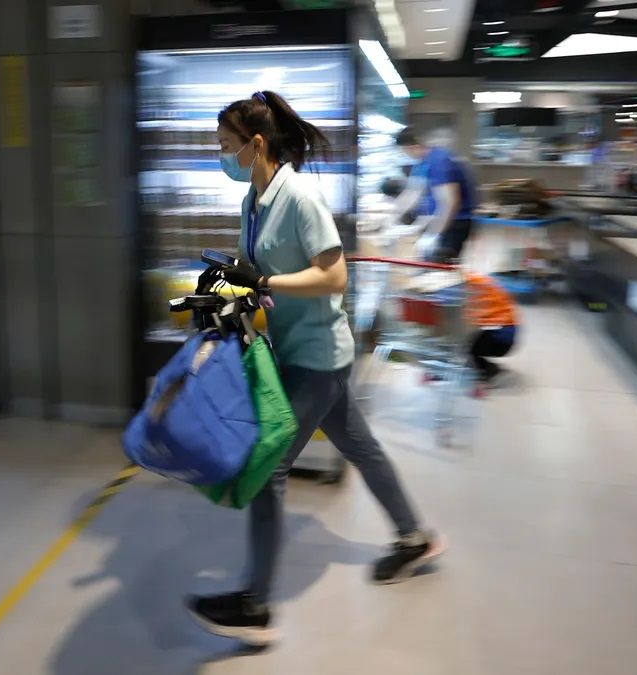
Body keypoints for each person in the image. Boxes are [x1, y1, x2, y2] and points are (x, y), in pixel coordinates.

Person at [186, 91, 444, 648]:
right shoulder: (252, 202)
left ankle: (256, 605)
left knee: (269, 468)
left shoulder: (300, 196)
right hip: (292, 349)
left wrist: (264, 284)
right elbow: (252, 271)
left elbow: (334, 277)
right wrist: (225, 288)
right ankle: (415, 537)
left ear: (256, 145)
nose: (221, 157)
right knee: (359, 445)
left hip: (319, 355)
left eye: (226, 147)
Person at [393, 129, 477, 263]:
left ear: (411, 147)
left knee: (441, 269)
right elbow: (412, 193)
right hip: (438, 220)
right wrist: (392, 216)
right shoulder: (421, 163)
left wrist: (434, 234)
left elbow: (450, 202)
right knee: (428, 265)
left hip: (454, 223)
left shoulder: (439, 161)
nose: (405, 155)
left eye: (404, 151)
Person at [466, 272, 518, 385]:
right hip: (507, 335)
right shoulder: (481, 281)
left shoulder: (472, 287)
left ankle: (490, 371)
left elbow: (472, 315)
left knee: (468, 348)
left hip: (501, 339)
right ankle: (489, 368)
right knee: (470, 343)